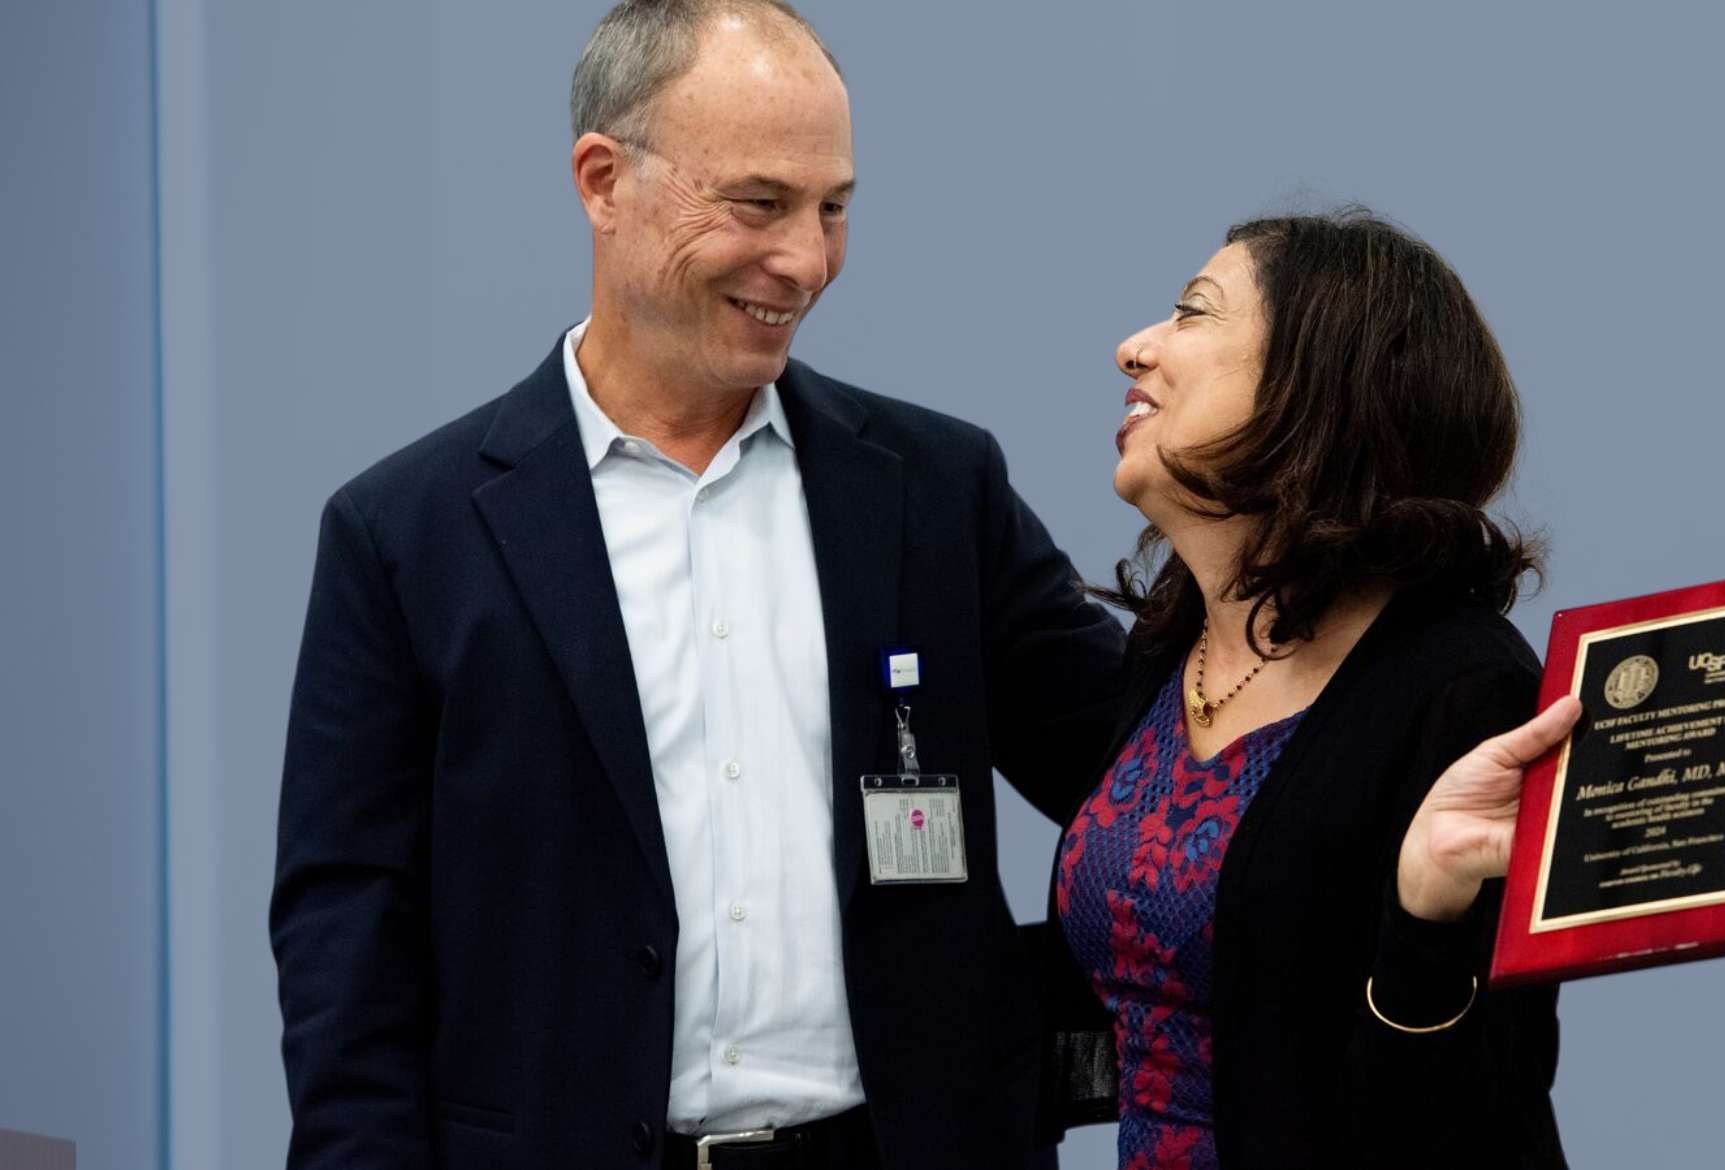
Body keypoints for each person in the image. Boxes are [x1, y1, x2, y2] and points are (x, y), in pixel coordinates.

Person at [268, 3, 1128, 1168]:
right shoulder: (406, 535)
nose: (807, 261)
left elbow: (1149, 778)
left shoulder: (935, 490)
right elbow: (346, 937)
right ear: (602, 180)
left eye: (834, 209)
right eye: (760, 203)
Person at [1049, 210, 1581, 1168]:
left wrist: (1424, 914)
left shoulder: (1465, 688)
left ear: (1315, 387)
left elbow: (1467, 1116)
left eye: (1192, 315)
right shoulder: (1174, 654)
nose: (1134, 347)